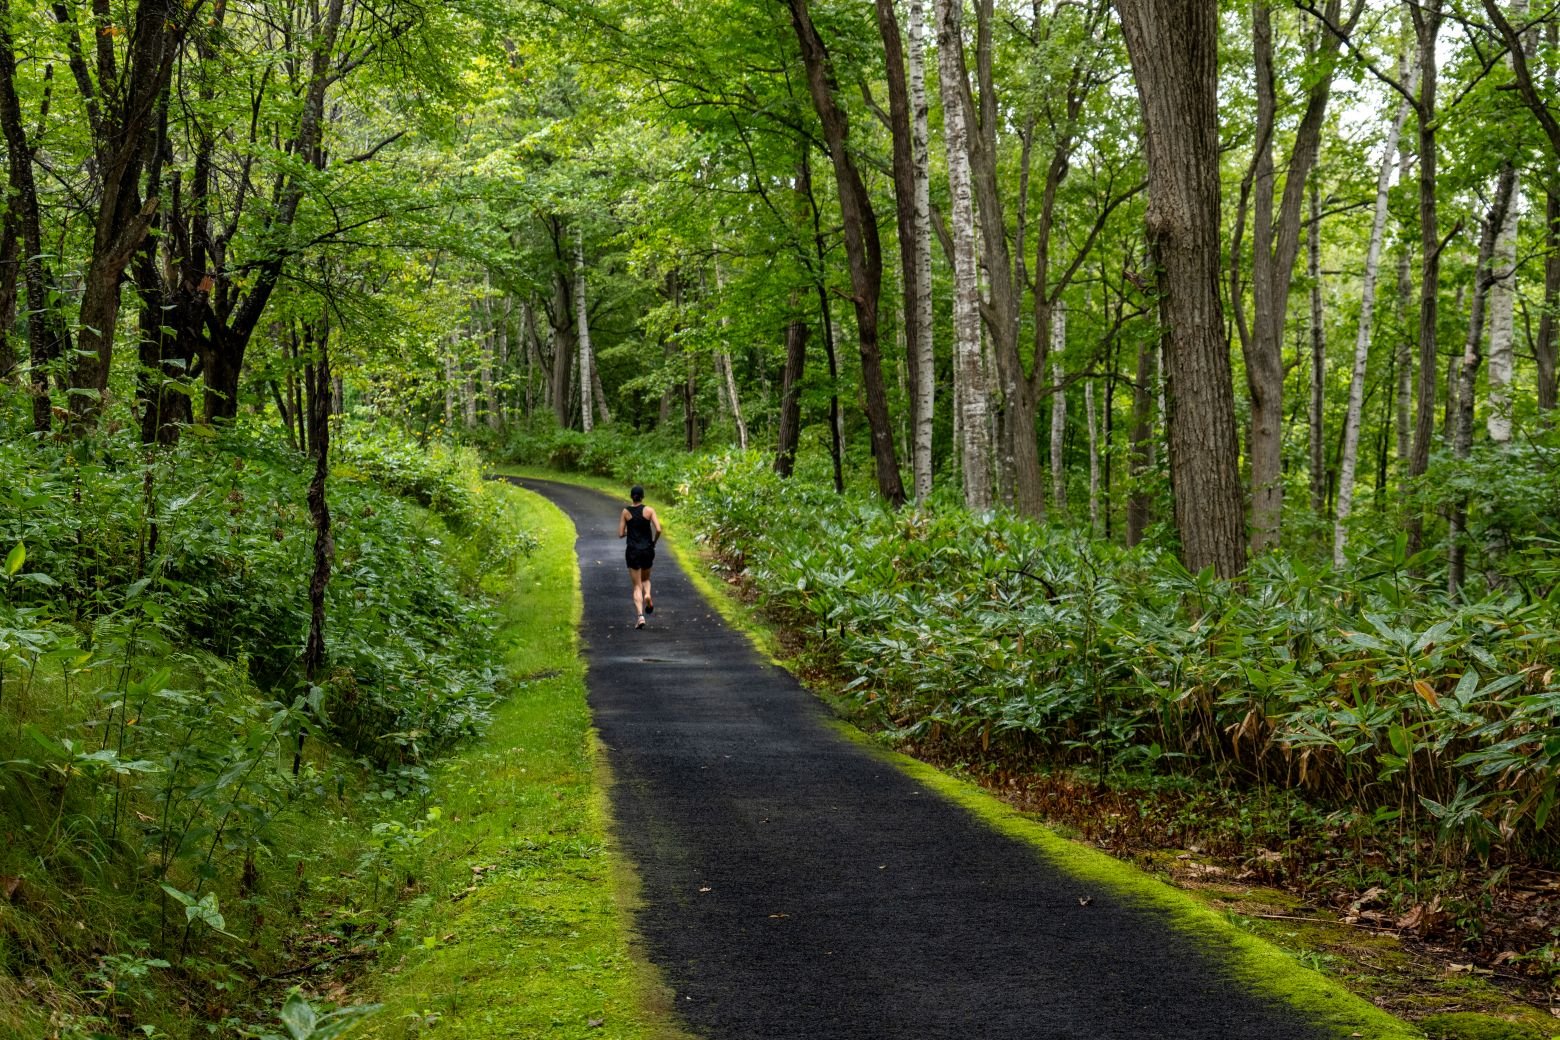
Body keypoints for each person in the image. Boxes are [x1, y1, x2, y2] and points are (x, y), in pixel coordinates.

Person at [618, 485, 661, 629]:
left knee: (637, 586)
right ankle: (647, 594)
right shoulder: (649, 510)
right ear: (643, 497)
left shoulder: (626, 512)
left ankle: (640, 616)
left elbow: (620, 533)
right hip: (647, 549)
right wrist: (654, 542)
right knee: (646, 579)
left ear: (631, 497)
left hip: (633, 551)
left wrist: (630, 531)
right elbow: (659, 529)